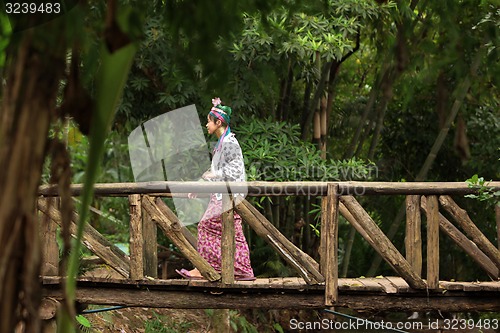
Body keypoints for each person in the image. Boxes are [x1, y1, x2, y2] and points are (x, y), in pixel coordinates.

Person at [176, 97, 255, 281]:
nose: (206, 124)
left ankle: (203, 269)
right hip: (222, 195)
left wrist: (214, 175)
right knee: (231, 228)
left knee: (205, 225)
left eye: (208, 121)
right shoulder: (222, 143)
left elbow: (235, 168)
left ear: (218, 122)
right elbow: (214, 172)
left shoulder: (229, 142)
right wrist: (201, 185)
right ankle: (242, 270)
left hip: (228, 195)